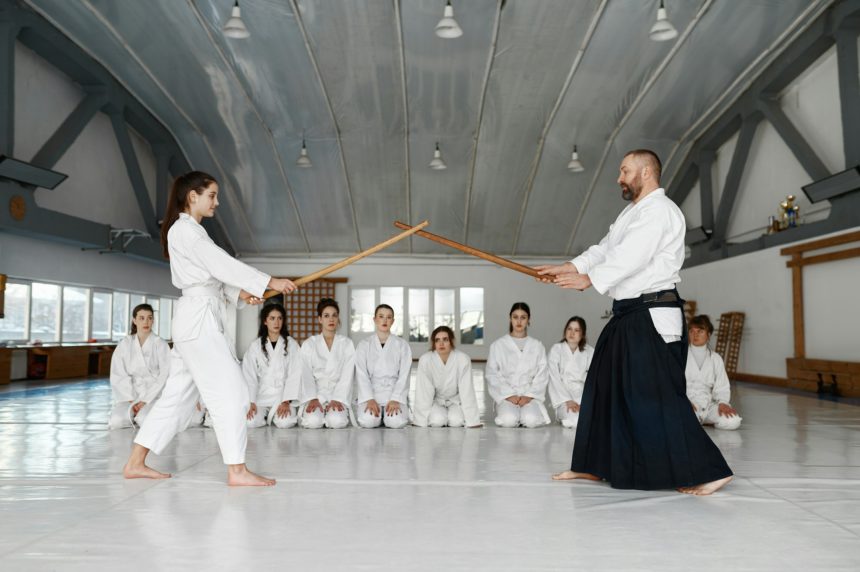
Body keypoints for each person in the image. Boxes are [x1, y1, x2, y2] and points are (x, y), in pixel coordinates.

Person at [538, 149, 732, 495]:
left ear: (645, 172)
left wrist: (591, 280)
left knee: (655, 397)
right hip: (628, 313)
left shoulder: (660, 211)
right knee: (603, 388)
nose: (619, 178)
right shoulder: (632, 213)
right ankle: (593, 465)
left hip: (652, 315)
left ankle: (712, 470)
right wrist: (570, 267)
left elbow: (632, 257)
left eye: (624, 171)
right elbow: (605, 249)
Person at [122, 171, 295, 486]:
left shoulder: (192, 233)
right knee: (233, 392)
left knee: (176, 398)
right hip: (198, 322)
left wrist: (240, 293)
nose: (217, 201)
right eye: (212, 195)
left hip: (197, 319)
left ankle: (135, 463)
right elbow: (220, 264)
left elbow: (211, 278)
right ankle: (237, 470)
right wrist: (269, 281)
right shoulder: (185, 231)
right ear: (193, 196)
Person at [241, 303, 309, 428]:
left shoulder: (292, 345)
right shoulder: (255, 346)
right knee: (250, 422)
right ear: (265, 321)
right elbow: (249, 375)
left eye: (279, 318)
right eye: (272, 318)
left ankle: (275, 414)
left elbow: (295, 374)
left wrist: (286, 400)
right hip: (261, 396)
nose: (276, 322)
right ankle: (265, 415)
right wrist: (251, 401)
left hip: (282, 396)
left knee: (285, 423)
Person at [485, 302, 550, 428]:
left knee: (531, 421)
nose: (519, 321)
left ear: (528, 320)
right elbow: (492, 374)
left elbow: (542, 374)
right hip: (507, 395)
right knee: (508, 420)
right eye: (515, 317)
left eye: (523, 317)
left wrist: (529, 396)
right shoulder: (498, 345)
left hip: (529, 395)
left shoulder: (537, 346)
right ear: (510, 319)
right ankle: (511, 412)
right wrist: (509, 395)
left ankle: (527, 412)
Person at [108, 304, 170, 429]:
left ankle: (142, 413)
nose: (146, 322)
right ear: (134, 320)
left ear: (153, 320)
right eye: (141, 318)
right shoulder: (125, 344)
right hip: (130, 395)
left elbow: (165, 375)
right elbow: (118, 374)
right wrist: (132, 400)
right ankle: (132, 412)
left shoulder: (161, 344)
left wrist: (145, 400)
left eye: (149, 318)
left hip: (154, 395)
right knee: (116, 421)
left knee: (144, 419)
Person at [299, 298, 355, 429]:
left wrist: (338, 398)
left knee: (337, 422)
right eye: (326, 316)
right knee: (313, 422)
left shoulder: (347, 344)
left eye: (334, 315)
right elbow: (305, 374)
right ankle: (318, 410)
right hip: (316, 394)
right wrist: (312, 398)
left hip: (338, 394)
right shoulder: (309, 344)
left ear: (338, 318)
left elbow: (348, 375)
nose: (331, 319)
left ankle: (334, 411)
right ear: (320, 319)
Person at [354, 304, 411, 429]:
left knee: (395, 422)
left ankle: (387, 415)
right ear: (374, 319)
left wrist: (396, 398)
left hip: (394, 394)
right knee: (368, 421)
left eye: (389, 317)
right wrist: (369, 398)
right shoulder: (364, 345)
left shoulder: (402, 345)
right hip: (372, 394)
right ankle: (378, 415)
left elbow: (404, 376)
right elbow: (361, 374)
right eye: (381, 316)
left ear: (393, 321)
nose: (385, 320)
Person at [412, 325, 481, 428]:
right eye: (437, 340)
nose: (441, 344)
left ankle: (455, 416)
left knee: (456, 422)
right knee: (437, 421)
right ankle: (438, 416)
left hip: (455, 400)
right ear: (433, 343)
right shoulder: (426, 360)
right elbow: (423, 392)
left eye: (445, 339)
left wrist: (473, 421)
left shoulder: (463, 359)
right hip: (436, 400)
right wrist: (419, 421)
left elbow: (467, 390)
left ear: (451, 341)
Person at [686, 315, 741, 431]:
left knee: (733, 421)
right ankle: (697, 420)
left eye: (700, 331)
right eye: (691, 331)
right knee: (685, 418)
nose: (695, 335)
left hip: (708, 405)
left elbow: (722, 386)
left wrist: (722, 402)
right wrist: (683, 401)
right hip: (687, 403)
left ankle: (702, 420)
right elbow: (672, 383)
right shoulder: (680, 356)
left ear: (709, 334)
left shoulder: (716, 358)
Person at [547, 316, 594, 429]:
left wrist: (584, 402)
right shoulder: (556, 350)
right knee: (574, 421)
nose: (572, 333)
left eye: (576, 330)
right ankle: (564, 415)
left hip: (582, 395)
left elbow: (593, 379)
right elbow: (554, 378)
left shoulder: (590, 351)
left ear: (582, 334)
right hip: (563, 397)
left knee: (591, 419)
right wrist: (567, 400)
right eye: (569, 329)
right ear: (565, 331)